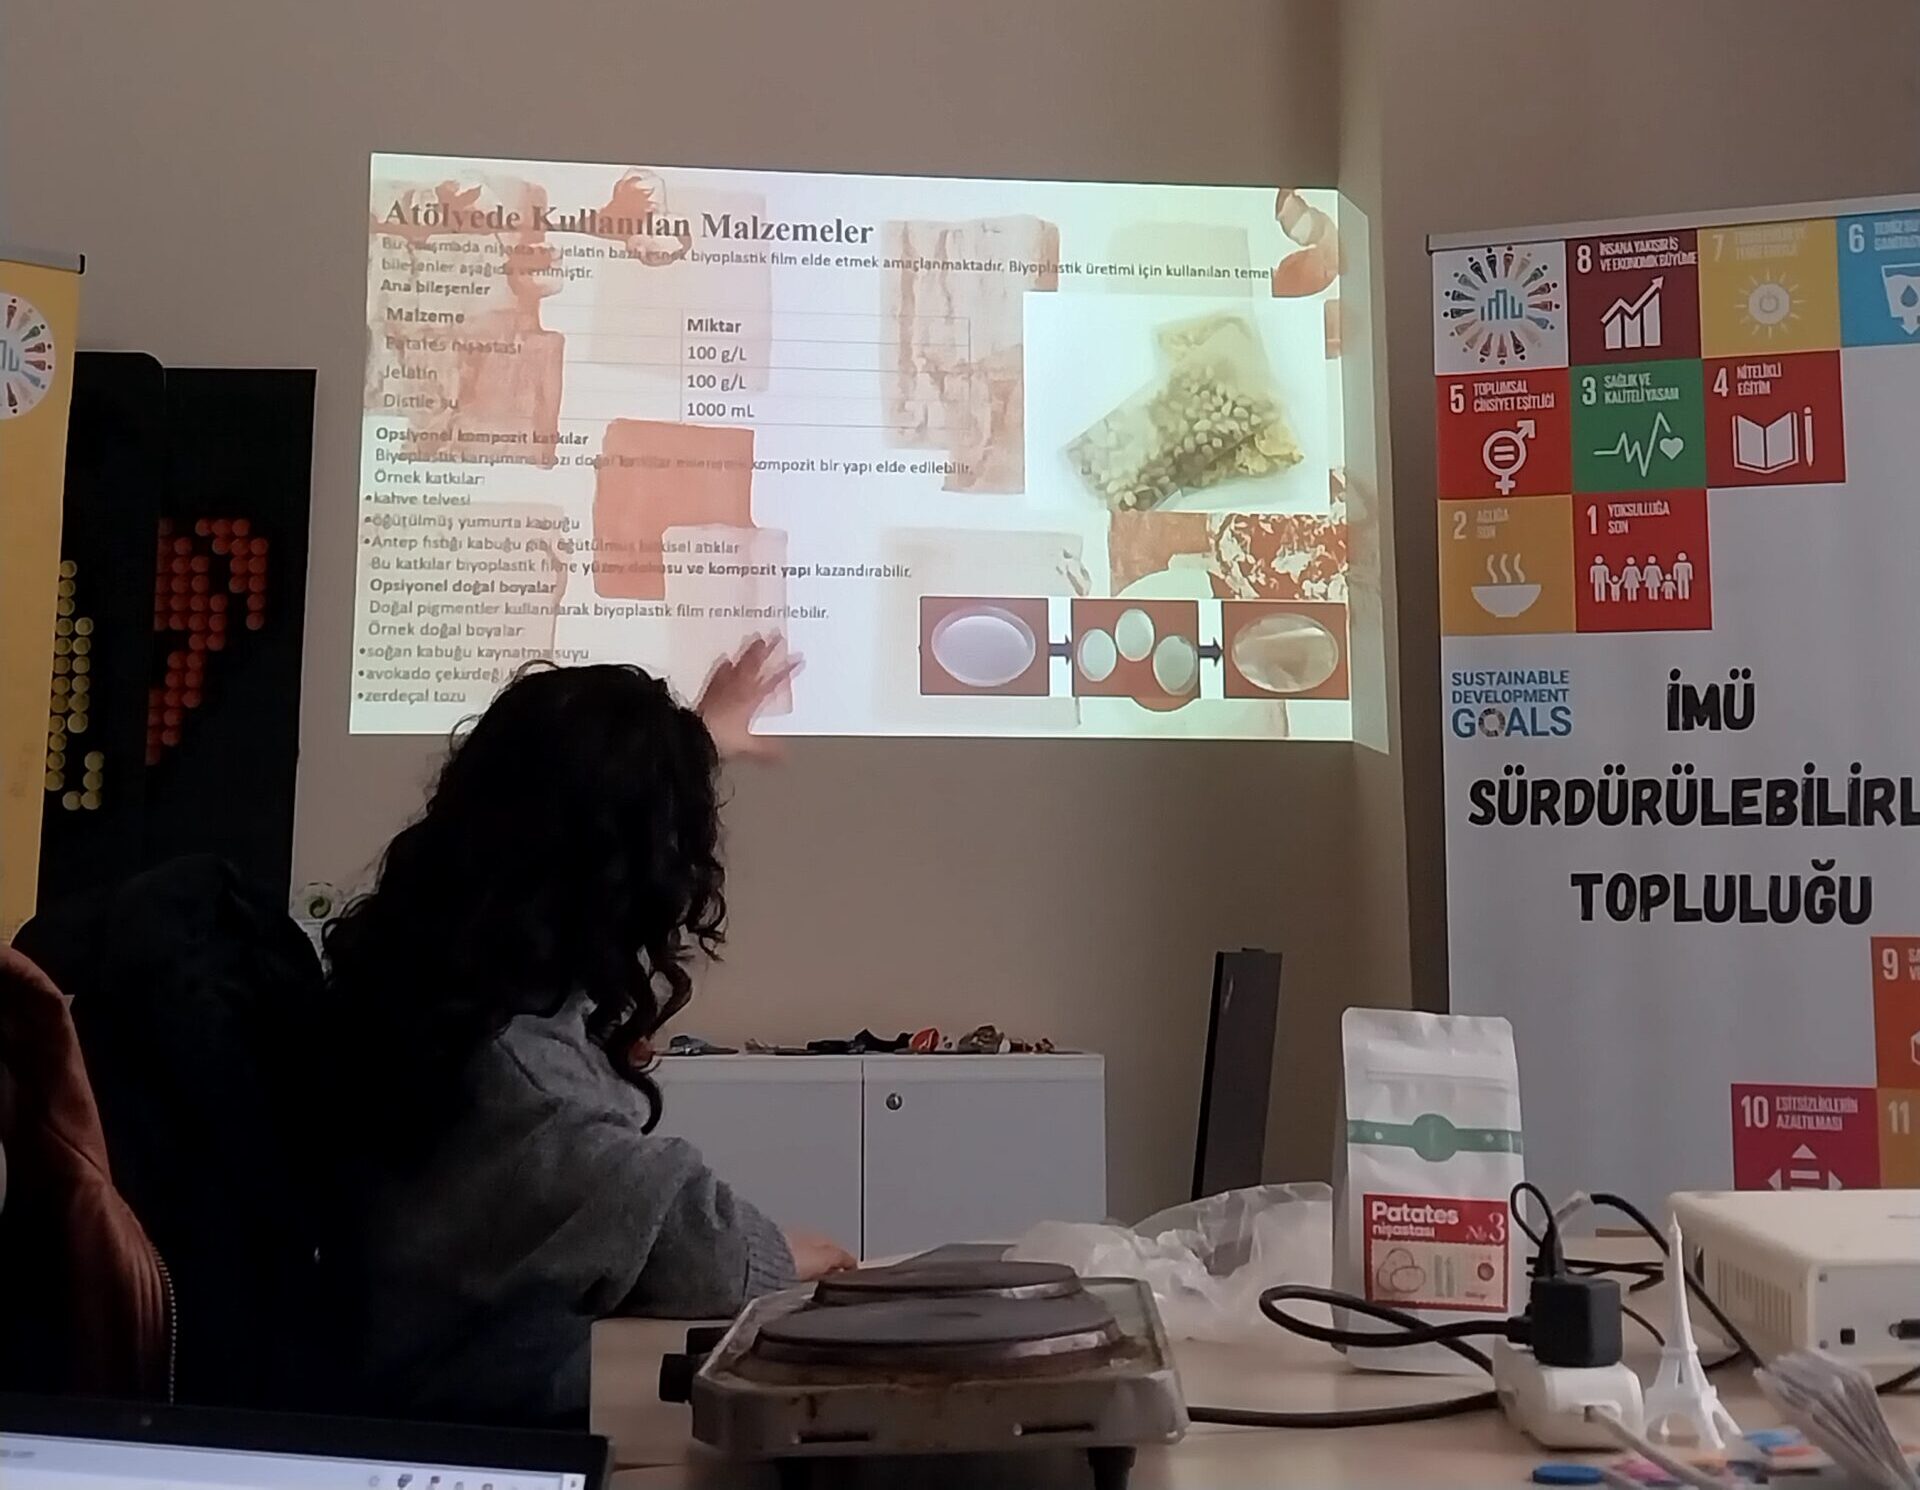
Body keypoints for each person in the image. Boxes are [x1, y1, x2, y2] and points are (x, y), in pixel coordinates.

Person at [316, 642, 855, 1427]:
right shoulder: (525, 1084)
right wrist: (774, 1251)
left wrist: (690, 746)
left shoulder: (418, 981)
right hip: (475, 1429)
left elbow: (566, 803)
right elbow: (707, 1250)